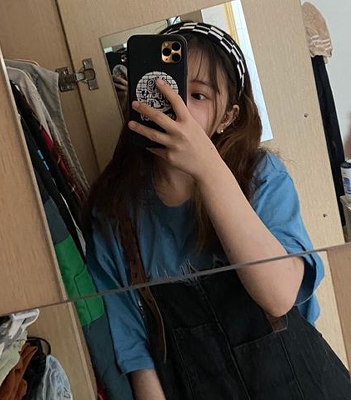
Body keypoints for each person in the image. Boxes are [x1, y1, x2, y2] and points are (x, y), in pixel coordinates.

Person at [85, 22, 351, 399]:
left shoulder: (260, 176)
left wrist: (208, 168)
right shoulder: (115, 212)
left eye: (198, 95)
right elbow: (134, 349)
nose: (178, 105)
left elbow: (279, 296)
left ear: (227, 117)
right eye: (166, 87)